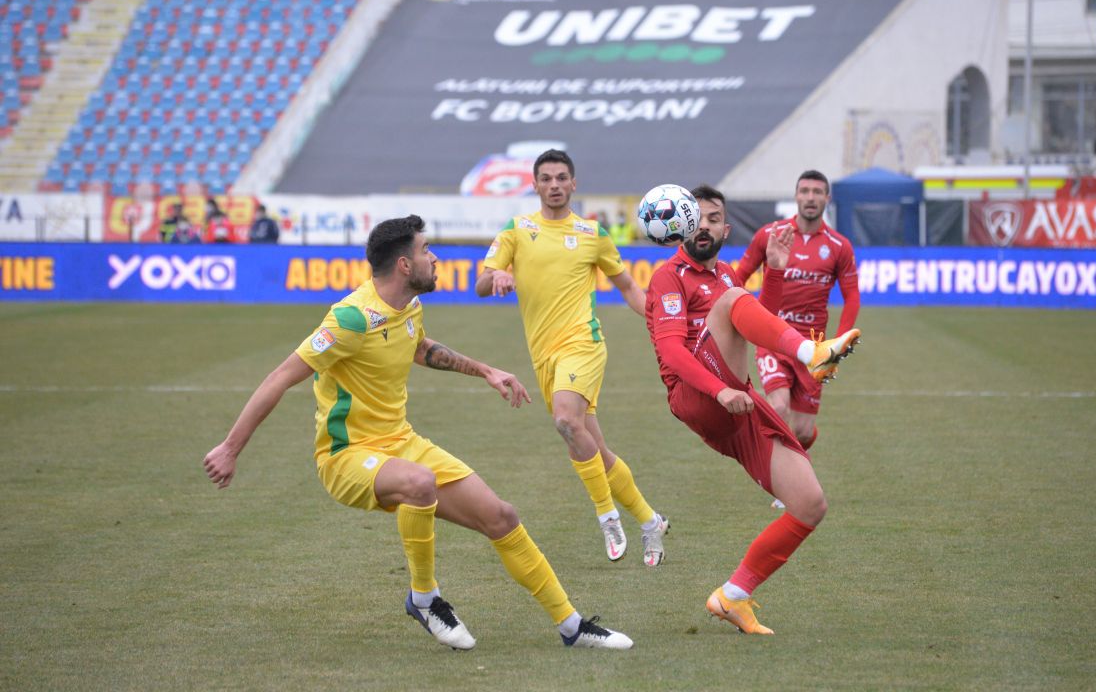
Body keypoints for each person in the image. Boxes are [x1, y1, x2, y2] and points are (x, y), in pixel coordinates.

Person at [203, 216, 633, 651]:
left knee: (501, 516)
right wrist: (230, 448)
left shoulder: (409, 306)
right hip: (345, 455)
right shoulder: (350, 318)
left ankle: (572, 626)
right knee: (419, 483)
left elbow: (419, 346)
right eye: (427, 250)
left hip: (401, 442)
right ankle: (424, 599)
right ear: (405, 265)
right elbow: (279, 377)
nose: (435, 258)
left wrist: (485, 370)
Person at [643, 185, 860, 635]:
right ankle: (813, 355)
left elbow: (761, 325)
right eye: (695, 216)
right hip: (697, 396)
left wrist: (776, 272)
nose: (704, 225)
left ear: (726, 228)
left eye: (713, 218)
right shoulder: (669, 277)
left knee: (809, 504)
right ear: (680, 224)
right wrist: (719, 392)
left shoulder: (726, 276)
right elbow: (671, 353)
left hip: (737, 401)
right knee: (732, 300)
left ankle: (732, 597)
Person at [475, 149, 670, 567]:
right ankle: (651, 521)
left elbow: (629, 289)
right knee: (594, 448)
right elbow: (481, 282)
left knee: (565, 420)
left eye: (562, 177)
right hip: (544, 356)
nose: (555, 185)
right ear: (536, 184)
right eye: (546, 178)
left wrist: (663, 323)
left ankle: (607, 516)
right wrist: (497, 276)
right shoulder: (516, 230)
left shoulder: (592, 233)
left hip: (584, 344)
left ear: (574, 183)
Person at [734, 169, 860, 455]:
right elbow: (738, 277)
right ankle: (783, 484)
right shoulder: (770, 235)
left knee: (802, 431)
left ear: (827, 198)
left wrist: (837, 345)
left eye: (817, 192)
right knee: (778, 406)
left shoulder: (839, 246)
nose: (810, 198)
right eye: (805, 191)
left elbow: (852, 297)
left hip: (813, 347)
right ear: (796, 196)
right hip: (773, 338)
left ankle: (794, 462)